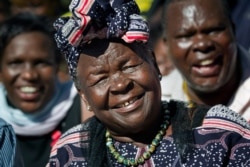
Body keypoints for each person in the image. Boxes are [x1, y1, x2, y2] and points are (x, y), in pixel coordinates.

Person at [46, 0, 250, 166]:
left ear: (155, 65)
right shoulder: (70, 151)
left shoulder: (221, 132)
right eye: (100, 79)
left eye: (129, 67)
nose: (120, 84)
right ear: (84, 96)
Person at [0, 13, 85, 167]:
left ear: (57, 66)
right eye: (15, 63)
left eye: (41, 63)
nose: (29, 75)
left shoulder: (84, 106)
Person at [162, 0, 250, 122]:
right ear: (167, 46)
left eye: (213, 30)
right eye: (186, 36)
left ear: (233, 30)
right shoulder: (155, 105)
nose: (202, 44)